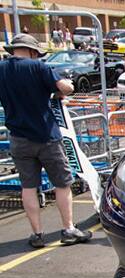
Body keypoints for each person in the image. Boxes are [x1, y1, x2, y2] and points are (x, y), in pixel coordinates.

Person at [0, 34, 92, 248]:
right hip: (47, 136)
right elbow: (67, 88)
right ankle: (68, 228)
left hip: (18, 137)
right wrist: (60, 90)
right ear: (32, 51)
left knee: (28, 187)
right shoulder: (39, 67)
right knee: (62, 183)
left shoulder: (2, 69)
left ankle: (37, 234)